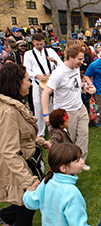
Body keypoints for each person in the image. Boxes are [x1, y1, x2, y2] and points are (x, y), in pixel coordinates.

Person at [0, 63, 49, 226]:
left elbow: (23, 135)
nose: (30, 83)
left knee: (26, 206)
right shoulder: (9, 112)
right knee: (26, 208)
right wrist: (28, 180)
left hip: (26, 163)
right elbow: (9, 151)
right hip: (19, 169)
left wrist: (40, 141)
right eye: (27, 80)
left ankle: (4, 218)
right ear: (16, 83)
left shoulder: (17, 104)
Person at [42, 45, 94, 171]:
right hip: (66, 111)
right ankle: (67, 165)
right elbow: (45, 93)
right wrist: (45, 114)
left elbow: (75, 84)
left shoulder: (75, 68)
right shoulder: (58, 73)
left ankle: (80, 161)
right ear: (70, 57)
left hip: (80, 107)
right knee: (69, 140)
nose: (82, 62)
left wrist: (84, 87)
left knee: (83, 135)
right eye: (79, 59)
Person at [23, 143, 90, 226]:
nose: (82, 161)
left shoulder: (47, 181)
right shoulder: (72, 193)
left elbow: (32, 202)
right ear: (63, 168)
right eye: (77, 160)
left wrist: (28, 193)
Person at [24, 33, 63, 137]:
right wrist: (36, 75)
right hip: (37, 84)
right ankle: (40, 133)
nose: (40, 46)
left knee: (51, 106)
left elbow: (61, 65)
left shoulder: (50, 51)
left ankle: (52, 130)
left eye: (41, 44)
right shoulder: (28, 54)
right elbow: (26, 69)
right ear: (33, 43)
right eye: (37, 44)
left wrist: (54, 61)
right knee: (38, 107)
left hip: (50, 82)